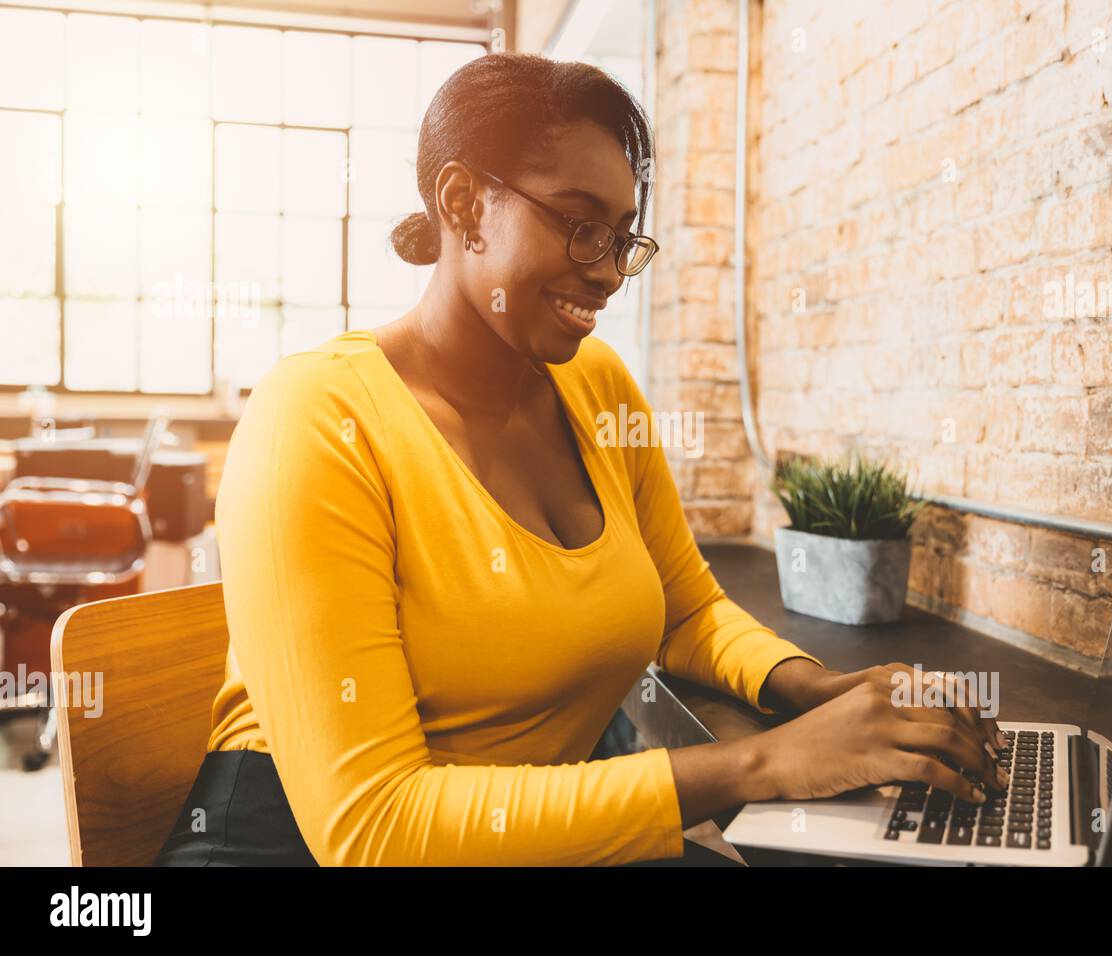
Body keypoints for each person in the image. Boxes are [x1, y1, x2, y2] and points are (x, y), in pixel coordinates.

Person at [156, 52, 1004, 867]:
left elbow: (684, 611)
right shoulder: (315, 420)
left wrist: (809, 691)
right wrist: (769, 762)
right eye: (579, 226)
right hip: (299, 845)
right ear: (465, 205)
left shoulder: (595, 385)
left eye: (623, 237)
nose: (607, 275)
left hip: (521, 838)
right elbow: (374, 828)